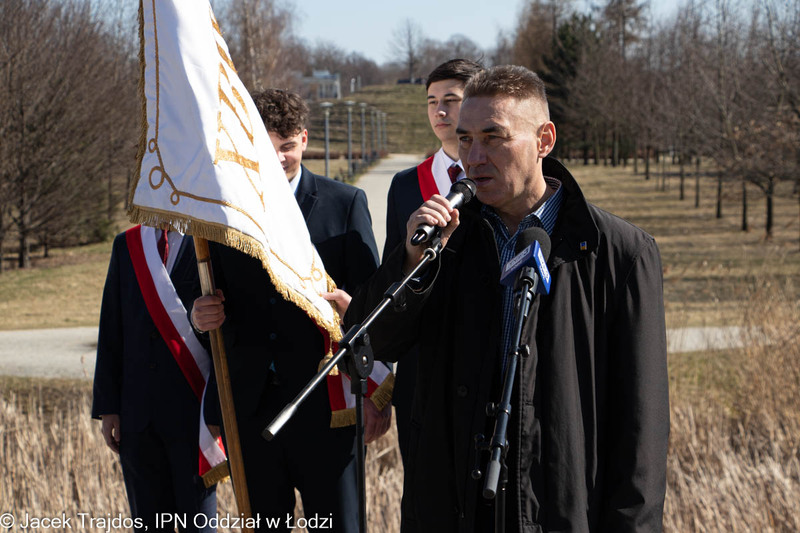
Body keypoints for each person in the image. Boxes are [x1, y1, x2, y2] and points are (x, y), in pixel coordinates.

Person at [346, 65, 670, 532]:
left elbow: (642, 431)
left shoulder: (619, 253)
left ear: (544, 140)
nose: (472, 158)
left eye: (493, 137)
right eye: (465, 139)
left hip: (560, 510)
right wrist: (412, 263)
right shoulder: (445, 244)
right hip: (452, 508)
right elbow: (370, 340)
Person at [192, 89, 388, 532]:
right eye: (266, 146)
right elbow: (203, 298)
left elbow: (372, 304)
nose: (278, 157)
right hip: (251, 406)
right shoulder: (223, 215)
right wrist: (198, 314)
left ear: (304, 139)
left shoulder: (345, 202)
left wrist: (373, 386)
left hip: (327, 405)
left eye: (287, 145)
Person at [382, 58, 483, 463]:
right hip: (421, 364)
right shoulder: (407, 184)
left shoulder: (492, 177)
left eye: (451, 100)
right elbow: (393, 270)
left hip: (481, 358)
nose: (439, 111)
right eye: (431, 101)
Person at [92, 226, 217, 532]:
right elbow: (112, 325)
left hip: (194, 413)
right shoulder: (127, 244)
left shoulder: (210, 239)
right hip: (138, 417)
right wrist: (109, 407)